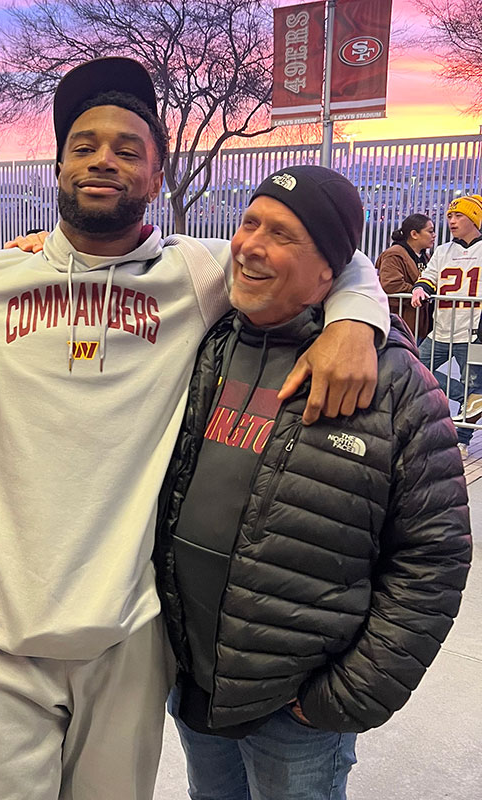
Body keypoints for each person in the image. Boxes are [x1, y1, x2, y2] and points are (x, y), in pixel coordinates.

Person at [0, 58, 390, 800]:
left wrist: (356, 320)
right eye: (84, 146)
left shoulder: (197, 275)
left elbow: (327, 256)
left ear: (156, 171)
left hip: (128, 637)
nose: (103, 160)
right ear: (57, 165)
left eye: (127, 147)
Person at [154, 165, 472, 800]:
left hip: (296, 710)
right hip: (195, 683)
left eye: (283, 234)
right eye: (249, 223)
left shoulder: (393, 385)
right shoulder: (203, 343)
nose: (250, 245)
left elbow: (433, 558)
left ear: (332, 270)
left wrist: (348, 695)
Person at [413, 194, 482, 458]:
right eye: (450, 216)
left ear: (474, 219)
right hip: (440, 330)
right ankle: (471, 398)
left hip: (473, 332)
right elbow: (428, 277)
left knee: (472, 383)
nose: (452, 221)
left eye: (459, 216)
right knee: (415, 369)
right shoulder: (442, 251)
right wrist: (420, 288)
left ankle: (461, 440)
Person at [375, 213, 434, 341]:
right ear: (414, 234)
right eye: (430, 231)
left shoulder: (425, 256)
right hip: (402, 324)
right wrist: (418, 291)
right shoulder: (394, 254)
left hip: (419, 323)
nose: (434, 235)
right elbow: (390, 284)